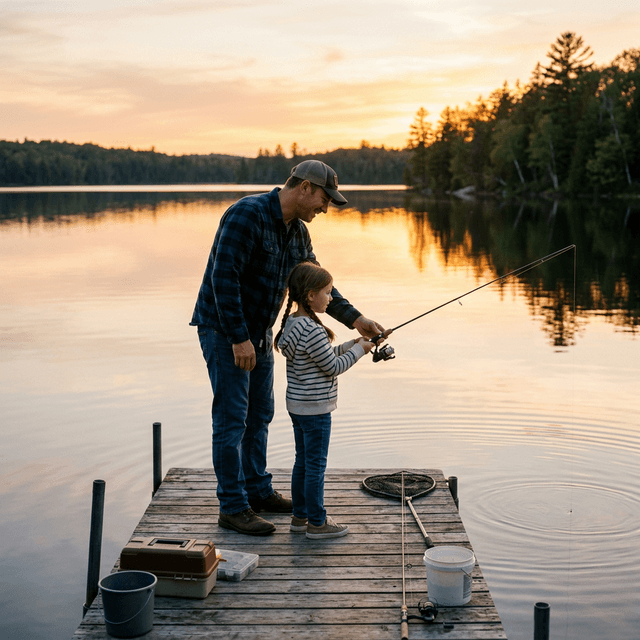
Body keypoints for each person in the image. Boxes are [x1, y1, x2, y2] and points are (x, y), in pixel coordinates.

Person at [191, 160, 387, 536]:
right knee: (233, 419)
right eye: (324, 199)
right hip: (224, 331)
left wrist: (356, 320)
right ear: (305, 188)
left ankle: (258, 491)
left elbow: (316, 284)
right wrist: (238, 338)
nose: (325, 208)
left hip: (260, 332)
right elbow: (223, 277)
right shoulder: (246, 214)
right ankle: (232, 507)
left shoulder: (297, 232)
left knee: (260, 414)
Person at [275, 262, 375, 538]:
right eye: (328, 293)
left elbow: (323, 355)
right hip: (316, 410)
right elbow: (333, 366)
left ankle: (300, 518)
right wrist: (361, 352)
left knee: (302, 463)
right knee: (316, 466)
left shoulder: (294, 325)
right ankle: (317, 523)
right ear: (310, 295)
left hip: (298, 407)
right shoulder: (313, 330)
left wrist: (354, 343)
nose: (331, 299)